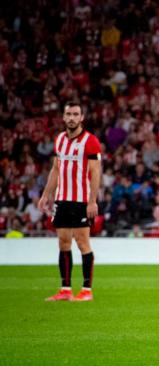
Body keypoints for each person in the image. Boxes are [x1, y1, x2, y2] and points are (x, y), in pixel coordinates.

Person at [39, 101, 102, 302]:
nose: (72, 118)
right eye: (69, 114)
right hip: (62, 199)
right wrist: (46, 195)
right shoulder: (59, 140)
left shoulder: (90, 141)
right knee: (63, 243)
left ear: (82, 117)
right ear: (64, 117)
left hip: (81, 200)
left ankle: (86, 290)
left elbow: (95, 172)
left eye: (76, 114)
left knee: (83, 242)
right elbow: (55, 169)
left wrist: (92, 201)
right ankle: (65, 289)